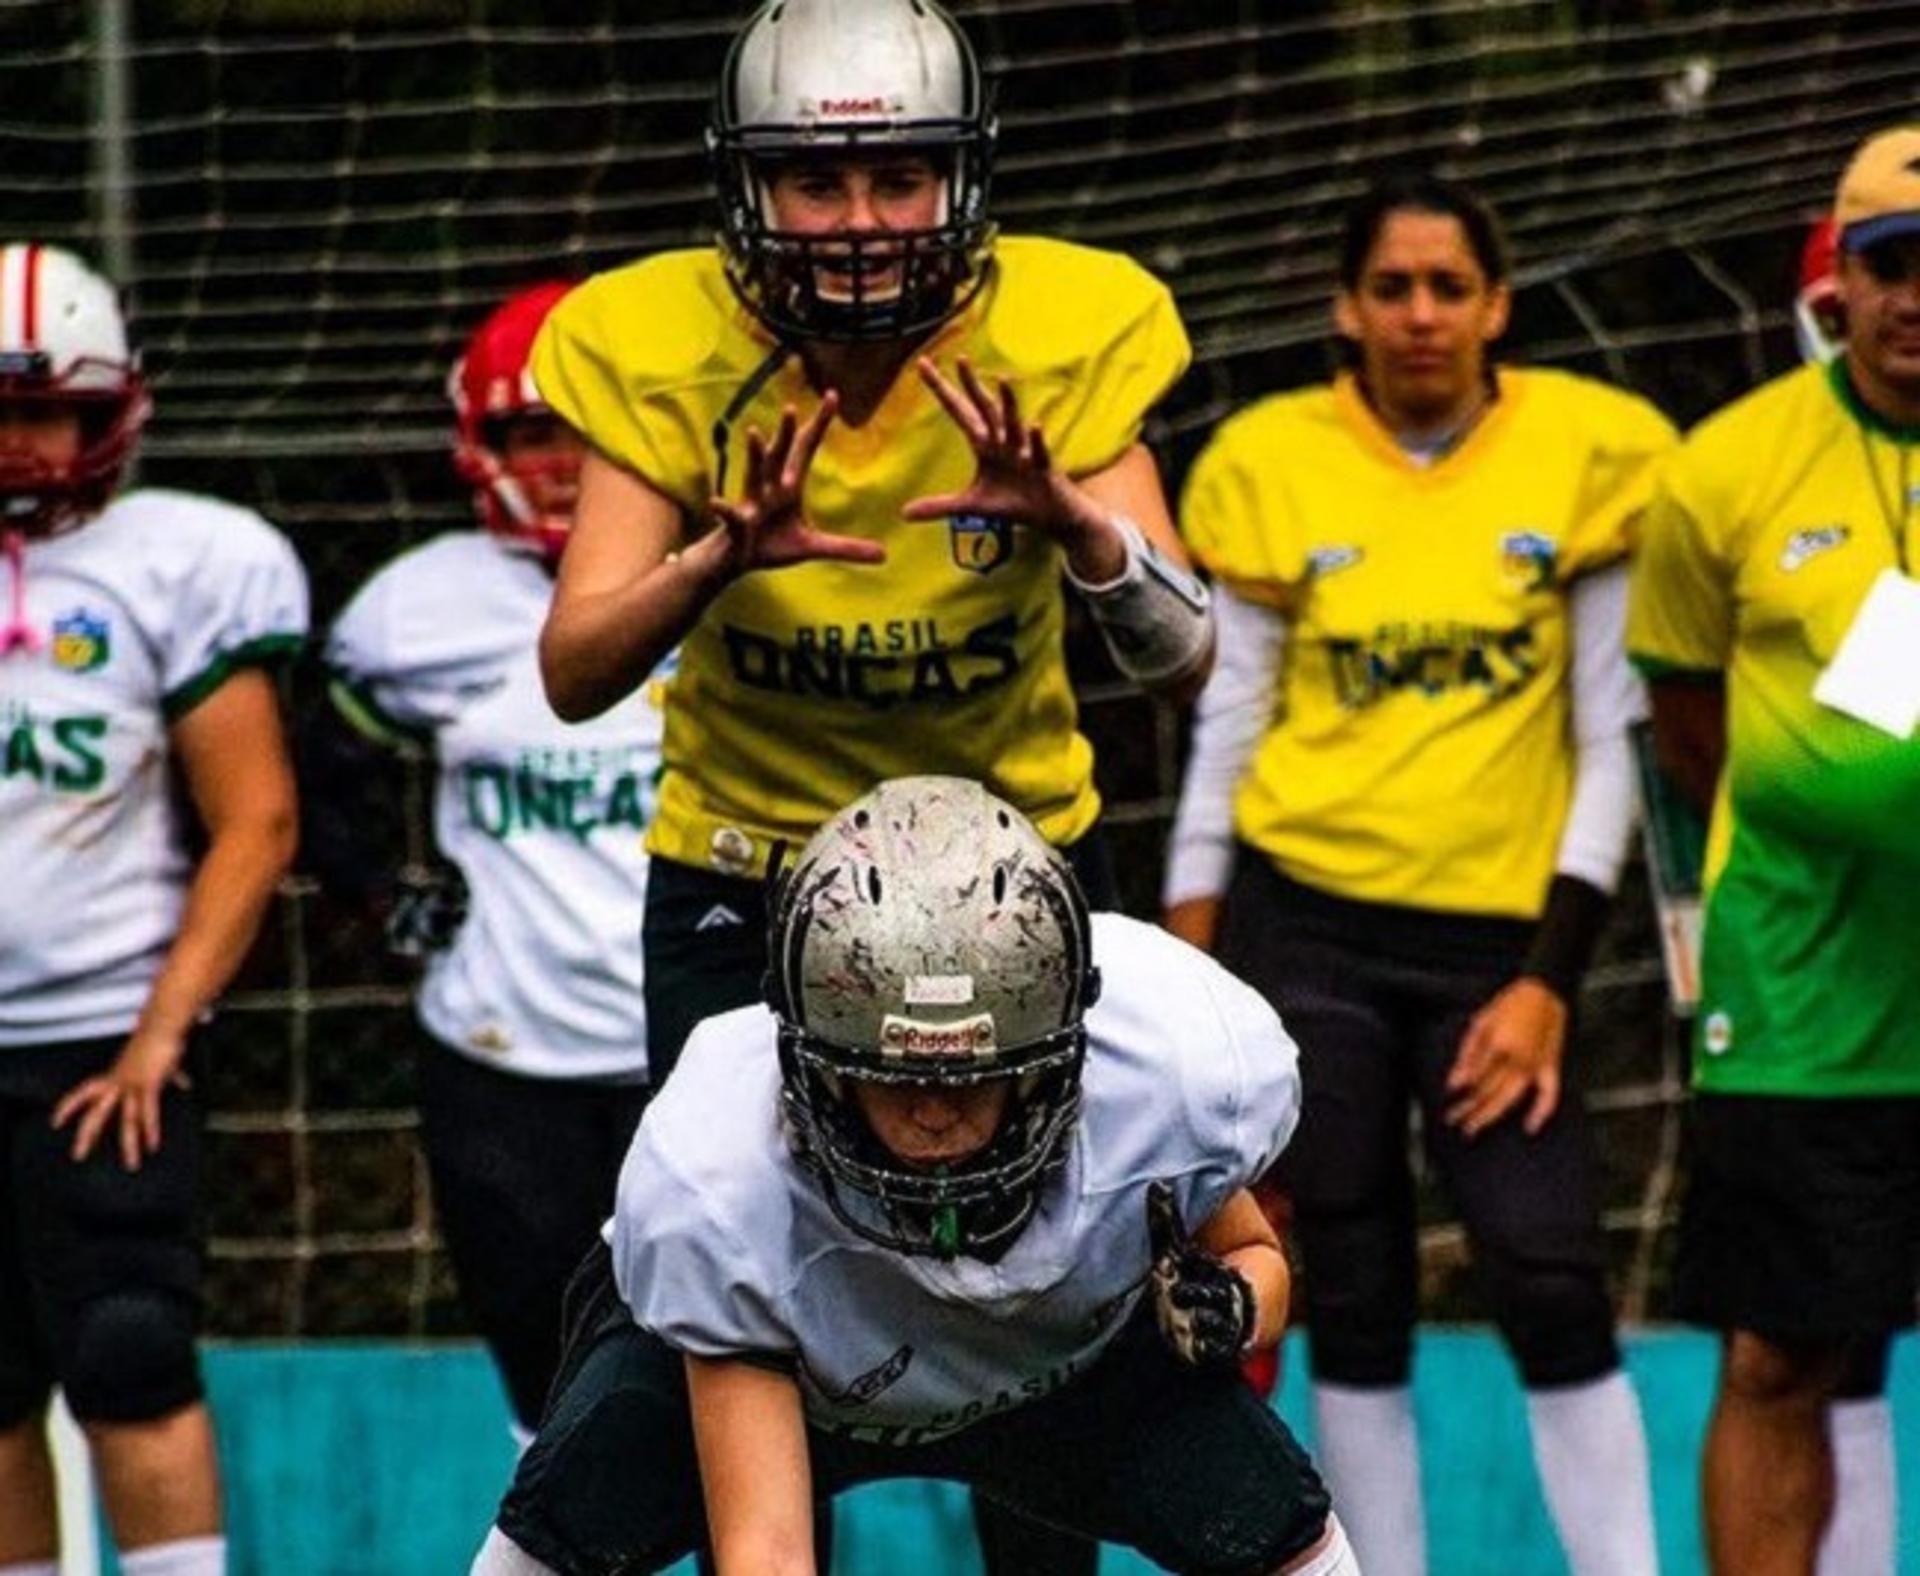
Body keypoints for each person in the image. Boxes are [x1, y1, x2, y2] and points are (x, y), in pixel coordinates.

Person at [530, 2, 1209, 1566]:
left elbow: (1185, 653)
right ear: (743, 186)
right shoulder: (660, 343)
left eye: (898, 177)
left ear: (962, 179)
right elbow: (575, 669)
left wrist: (1079, 526)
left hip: (1013, 877)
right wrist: (717, 559)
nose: (856, 222)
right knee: (732, 1284)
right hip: (745, 874)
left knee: (1050, 1288)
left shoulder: (1065, 329)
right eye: (814, 182)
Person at [1163, 173, 1674, 1576]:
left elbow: (1606, 743)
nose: (1422, 313)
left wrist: (1550, 984)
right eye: (1392, 287)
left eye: (1451, 285)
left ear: (1499, 304)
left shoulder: (1588, 455)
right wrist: (1191, 953)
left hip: (1501, 940)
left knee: (1548, 1264)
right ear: (1346, 305)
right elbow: (1230, 728)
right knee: (1353, 1270)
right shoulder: (1276, 464)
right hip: (1308, 924)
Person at [470, 775, 1355, 1576]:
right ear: (814, 1058)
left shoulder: (1168, 1079)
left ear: (1056, 1051)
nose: (934, 1114)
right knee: (548, 1544)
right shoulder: (720, 1177)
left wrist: (1234, 1311)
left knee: (1293, 1546)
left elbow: (1252, 1253)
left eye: (972, 1078)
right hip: (799, 1384)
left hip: (1066, 1371)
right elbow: (768, 1556)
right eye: (895, 1079)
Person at [1628, 126, 1920, 1576]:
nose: (1918, 295)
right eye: (1893, 263)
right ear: (1842, 281)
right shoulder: (1725, 468)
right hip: (1804, 991)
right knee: (1774, 1360)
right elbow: (1687, 721)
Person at [0, 243, 307, 1576]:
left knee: (129, 1345)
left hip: (102, 1041)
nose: (20, 444)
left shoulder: (178, 559)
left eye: (45, 407)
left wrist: (162, 1034)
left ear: (110, 405)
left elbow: (259, 816)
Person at [316, 281, 663, 1441]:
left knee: (741, 1383)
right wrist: (380, 893)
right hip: (502, 1055)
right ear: (480, 444)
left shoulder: (722, 575)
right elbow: (321, 767)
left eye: (586, 429)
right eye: (531, 433)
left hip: (701, 1042)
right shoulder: (413, 612)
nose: (562, 464)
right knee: (547, 1391)